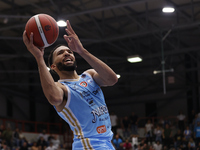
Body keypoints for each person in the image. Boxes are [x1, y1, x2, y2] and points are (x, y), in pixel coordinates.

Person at [23, 20, 118, 150]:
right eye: (60, 53)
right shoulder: (61, 88)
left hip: (106, 143)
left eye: (69, 51)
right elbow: (54, 98)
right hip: (88, 145)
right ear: (53, 66)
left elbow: (112, 79)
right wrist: (39, 58)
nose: (67, 53)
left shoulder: (89, 75)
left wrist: (82, 50)